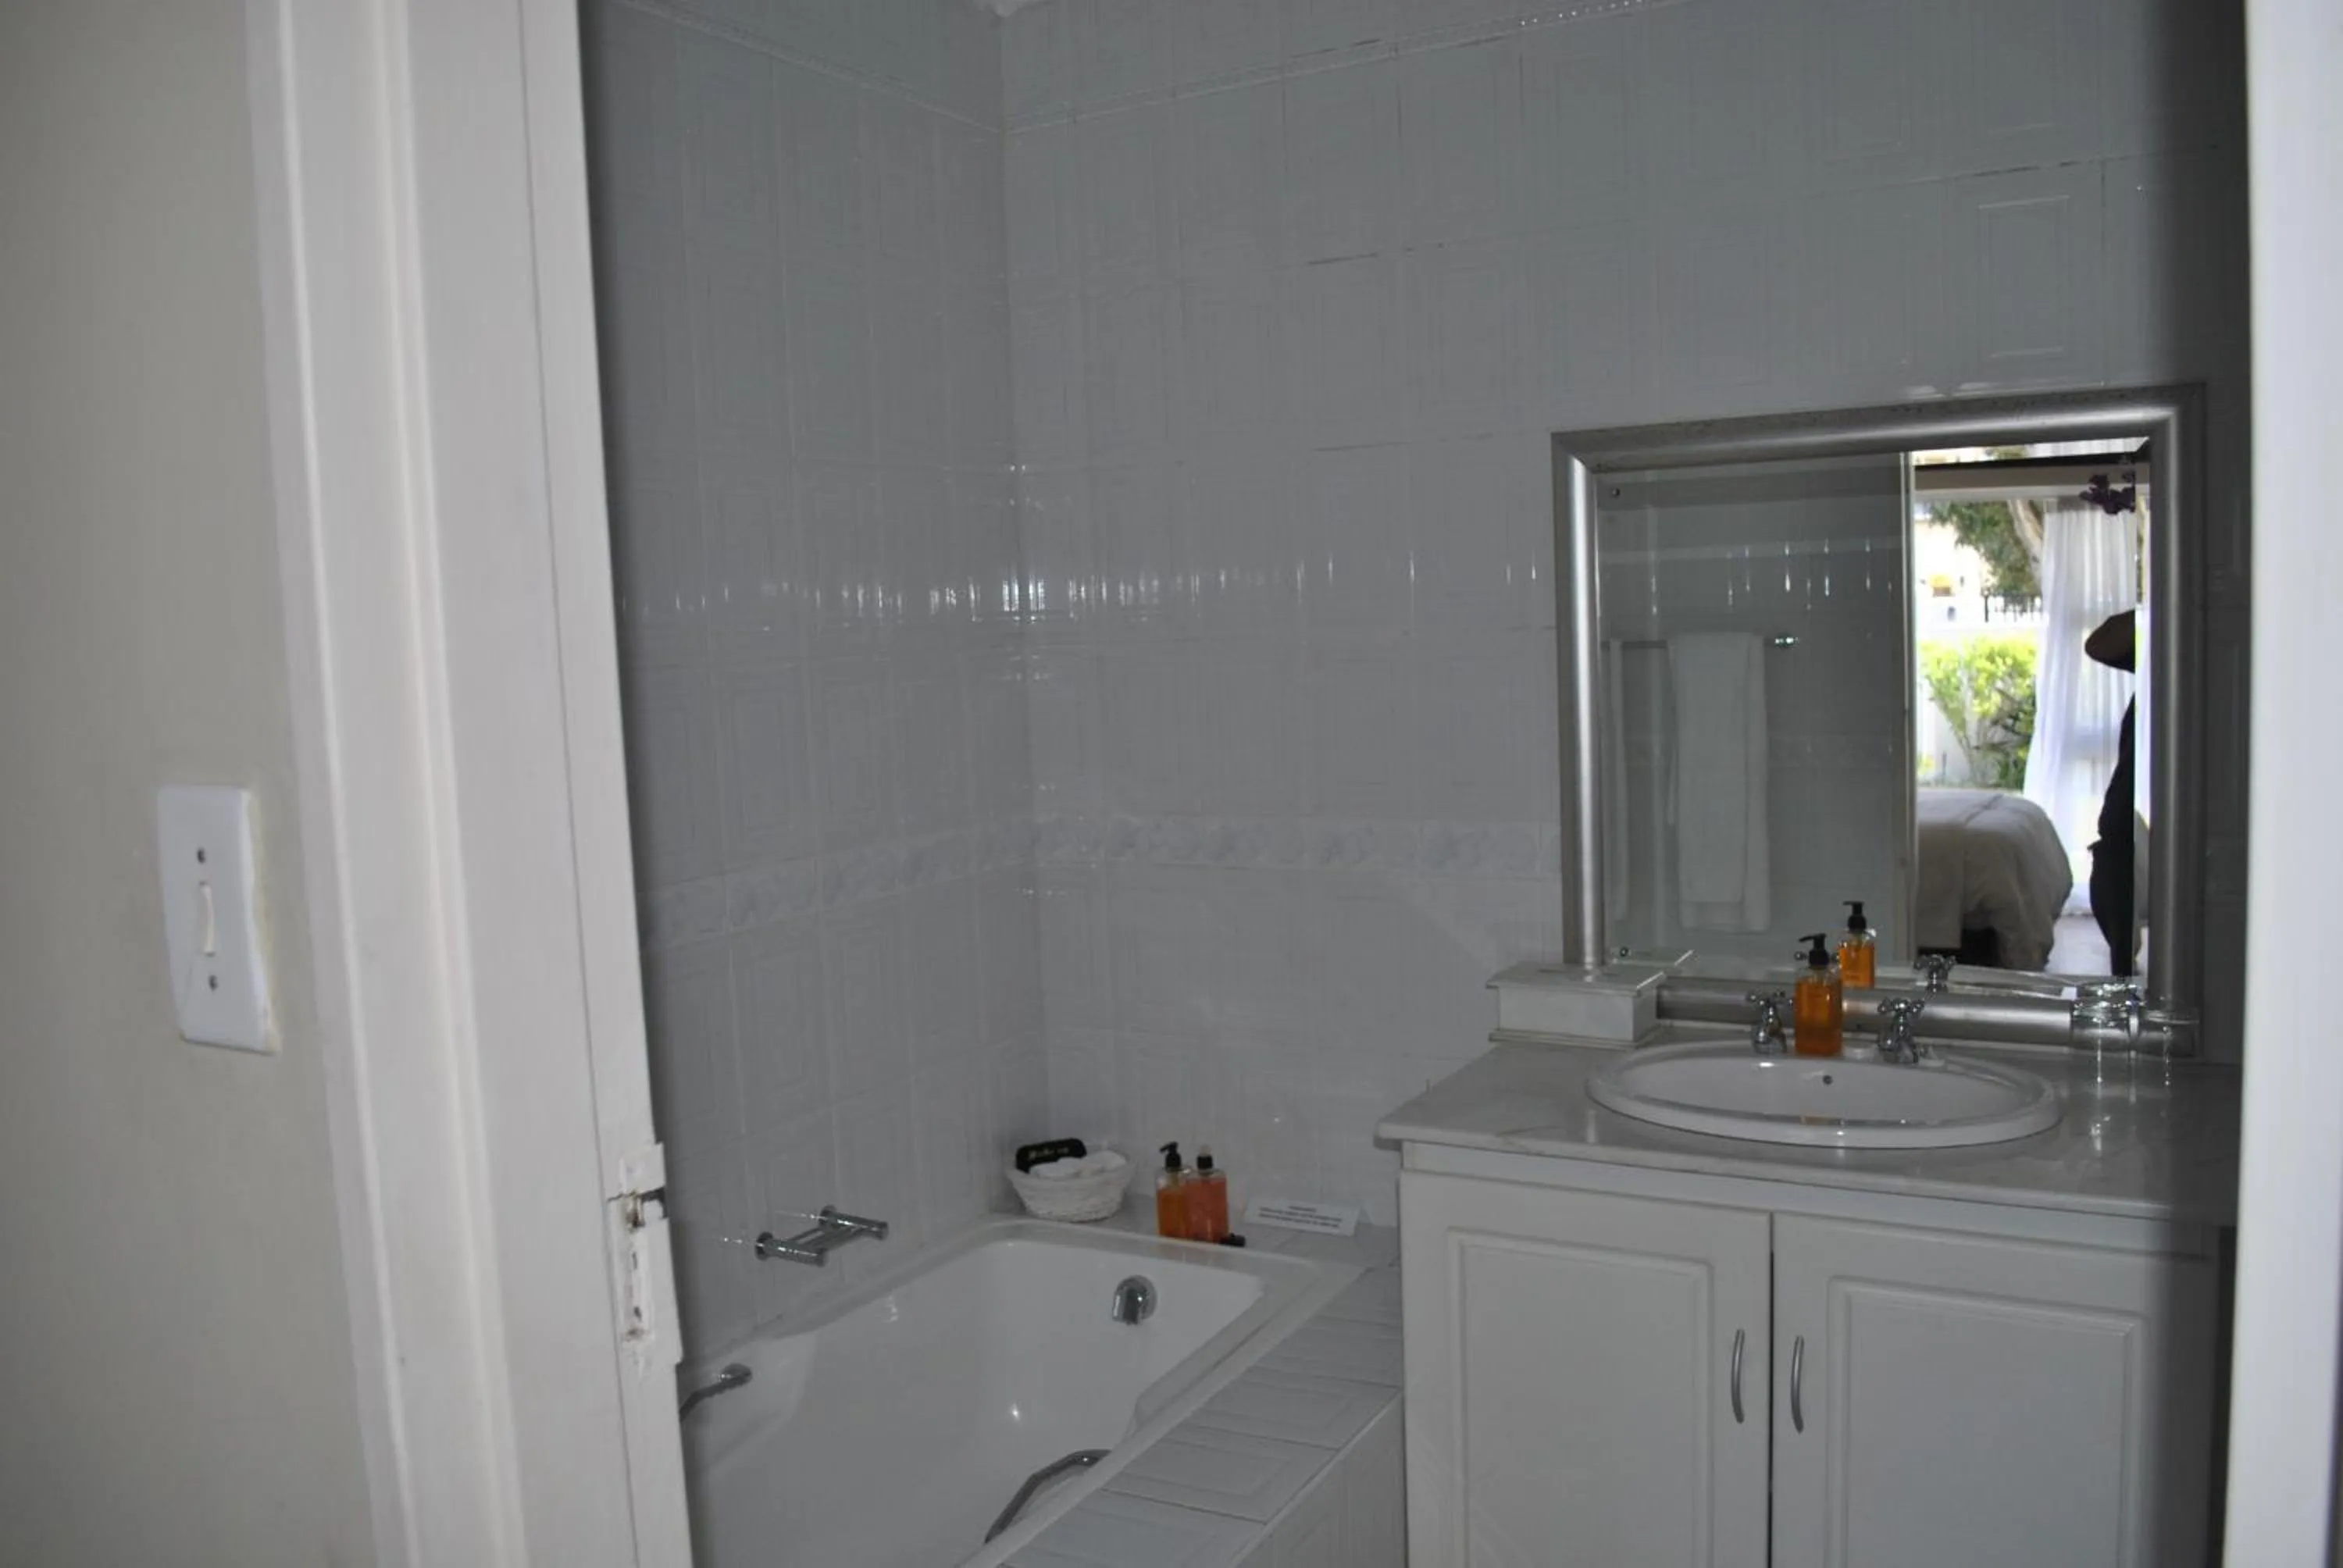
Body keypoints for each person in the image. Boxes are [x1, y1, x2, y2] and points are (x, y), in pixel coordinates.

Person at [2084, 609, 2137, 975]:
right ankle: (2121, 967)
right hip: (2132, 790)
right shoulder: (2160, 641)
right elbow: (2098, 644)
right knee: (2113, 854)